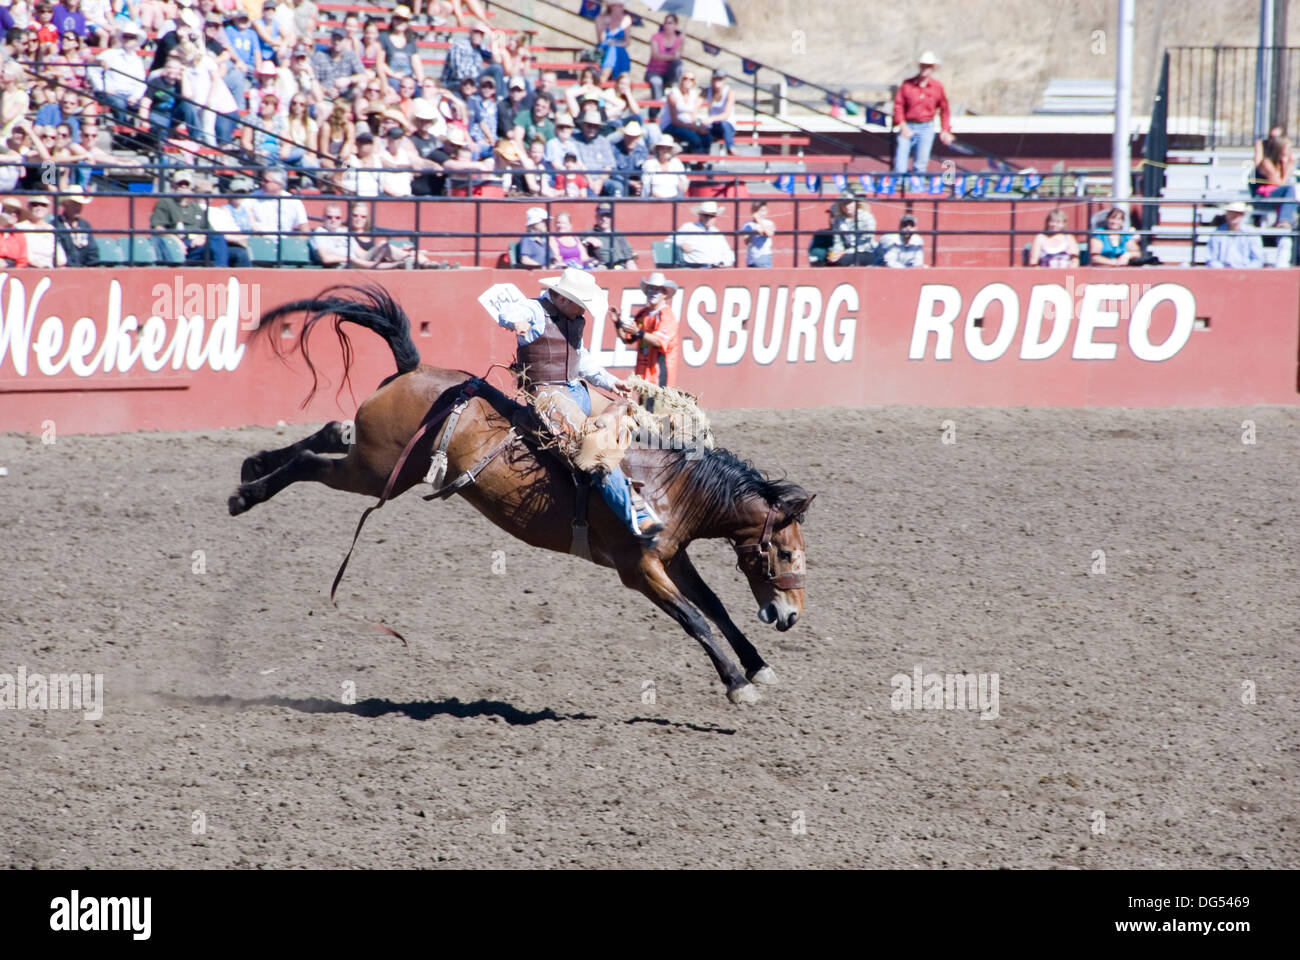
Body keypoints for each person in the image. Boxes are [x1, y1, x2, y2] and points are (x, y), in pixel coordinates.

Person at [494, 266, 663, 540]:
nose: (583, 312)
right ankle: (636, 515)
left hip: (576, 389)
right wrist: (514, 323)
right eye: (580, 305)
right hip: (548, 396)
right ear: (562, 298)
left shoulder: (571, 318)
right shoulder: (534, 311)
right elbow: (509, 312)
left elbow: (580, 357)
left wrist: (609, 382)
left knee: (626, 415)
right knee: (593, 448)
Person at [892, 51, 954, 174]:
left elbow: (944, 109)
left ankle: (917, 191)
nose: (925, 69)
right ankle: (898, 189)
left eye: (929, 67)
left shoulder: (937, 87)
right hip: (908, 125)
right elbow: (898, 106)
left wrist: (945, 129)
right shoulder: (907, 85)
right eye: (923, 66)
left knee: (920, 164)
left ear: (933, 69)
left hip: (926, 127)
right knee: (900, 164)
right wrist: (903, 126)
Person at [615, 272, 678, 388]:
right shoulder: (643, 314)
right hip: (643, 374)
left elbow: (659, 341)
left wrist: (638, 332)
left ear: (664, 294)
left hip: (659, 374)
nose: (652, 292)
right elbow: (627, 339)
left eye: (657, 289)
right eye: (650, 289)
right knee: (643, 405)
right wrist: (617, 322)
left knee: (656, 405)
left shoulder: (666, 315)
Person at [150, 170, 208, 260]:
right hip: (178, 242)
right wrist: (175, 239)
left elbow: (207, 229)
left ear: (190, 188)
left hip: (198, 242)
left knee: (220, 241)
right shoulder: (165, 202)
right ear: (173, 185)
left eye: (186, 185)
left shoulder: (196, 207)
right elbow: (157, 227)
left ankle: (222, 269)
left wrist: (202, 238)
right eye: (180, 184)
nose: (183, 187)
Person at [247, 167, 310, 242]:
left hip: (284, 243)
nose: (262, 183)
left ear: (279, 183)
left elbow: (305, 229)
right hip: (259, 241)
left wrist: (292, 243)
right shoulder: (252, 198)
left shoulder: (294, 202)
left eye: (266, 181)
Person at [1253, 133, 1297, 229]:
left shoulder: (1280, 163)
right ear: (1280, 149)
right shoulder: (1266, 163)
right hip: (1262, 199)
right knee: (1290, 188)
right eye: (1288, 149)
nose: (1290, 152)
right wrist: (1289, 166)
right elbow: (1279, 183)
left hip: (1278, 197)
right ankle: (1284, 220)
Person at [674, 199, 734, 267]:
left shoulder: (717, 233)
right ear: (700, 215)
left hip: (715, 268)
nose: (709, 218)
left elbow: (729, 254)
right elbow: (670, 242)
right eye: (706, 215)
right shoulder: (688, 227)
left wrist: (722, 263)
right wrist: (681, 245)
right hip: (695, 267)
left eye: (712, 216)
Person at [311, 27, 366, 101]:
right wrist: (325, 90)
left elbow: (364, 76)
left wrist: (348, 80)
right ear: (331, 40)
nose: (337, 42)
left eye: (340, 39)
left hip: (345, 97)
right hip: (323, 96)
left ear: (345, 41)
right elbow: (313, 80)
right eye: (335, 39)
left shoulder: (351, 56)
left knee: (362, 85)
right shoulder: (319, 56)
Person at [1206, 201, 1265, 269]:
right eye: (1231, 212)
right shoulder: (1218, 233)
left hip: (1245, 273)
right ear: (1226, 214)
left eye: (1238, 213)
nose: (1234, 215)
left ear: (1243, 215)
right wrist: (1222, 271)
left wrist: (1245, 271)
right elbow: (1211, 258)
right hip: (1222, 273)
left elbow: (1257, 259)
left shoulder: (1251, 233)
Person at [826, 187, 877, 265]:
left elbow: (865, 242)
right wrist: (836, 253)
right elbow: (838, 241)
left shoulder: (867, 217)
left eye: (849, 203)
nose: (847, 206)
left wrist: (843, 253)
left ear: (855, 203)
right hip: (848, 252)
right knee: (831, 261)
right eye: (844, 203)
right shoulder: (839, 221)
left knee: (845, 261)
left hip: (866, 251)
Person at [662, 69, 707, 154]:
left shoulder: (694, 95)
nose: (688, 81)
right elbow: (674, 120)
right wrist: (692, 127)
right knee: (694, 138)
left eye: (691, 79)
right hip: (671, 126)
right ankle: (695, 161)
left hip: (687, 125)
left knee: (706, 135)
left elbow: (694, 117)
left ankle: (701, 162)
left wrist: (699, 125)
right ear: (680, 80)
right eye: (685, 78)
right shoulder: (673, 94)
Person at [582, 201, 635, 269]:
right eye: (601, 215)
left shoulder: (618, 234)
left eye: (607, 216)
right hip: (603, 267)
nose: (604, 219)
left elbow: (629, 257)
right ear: (596, 217)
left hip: (621, 266)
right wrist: (588, 240)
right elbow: (578, 246)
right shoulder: (590, 233)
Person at [17, 194, 66, 267]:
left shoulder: (51, 229)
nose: (39, 208)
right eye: (35, 204)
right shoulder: (19, 228)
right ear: (28, 207)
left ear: (48, 208)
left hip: (51, 269)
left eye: (43, 205)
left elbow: (61, 258)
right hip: (29, 268)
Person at [644, 12, 682, 101]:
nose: (668, 26)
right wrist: (672, 57)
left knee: (679, 64)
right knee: (657, 82)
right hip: (654, 72)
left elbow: (678, 57)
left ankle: (675, 86)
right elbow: (656, 55)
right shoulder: (656, 37)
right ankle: (657, 108)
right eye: (666, 23)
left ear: (675, 25)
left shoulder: (678, 40)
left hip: (669, 73)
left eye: (670, 23)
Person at [52, 193, 98, 265]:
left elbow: (92, 251)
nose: (77, 208)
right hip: (64, 269)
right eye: (74, 204)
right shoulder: (55, 225)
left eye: (79, 204)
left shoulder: (85, 225)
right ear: (65, 205)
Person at [640, 133, 687, 198]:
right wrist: (661, 199)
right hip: (653, 201)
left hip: (674, 200)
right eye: (663, 148)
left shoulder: (676, 163)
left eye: (669, 148)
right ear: (658, 149)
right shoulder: (650, 164)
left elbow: (683, 186)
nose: (666, 151)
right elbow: (646, 187)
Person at [594, 1, 630, 83]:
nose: (620, 8)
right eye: (616, 6)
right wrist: (609, 24)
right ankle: (605, 77)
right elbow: (601, 40)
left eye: (621, 6)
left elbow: (627, 42)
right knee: (612, 50)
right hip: (604, 48)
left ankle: (607, 76)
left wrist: (616, 43)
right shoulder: (600, 18)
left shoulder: (626, 19)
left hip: (619, 48)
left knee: (615, 49)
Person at [705, 69, 735, 155]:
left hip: (727, 125)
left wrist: (711, 119)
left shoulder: (729, 93)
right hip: (712, 126)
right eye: (716, 79)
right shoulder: (708, 91)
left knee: (723, 124)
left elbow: (726, 115)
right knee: (703, 132)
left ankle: (731, 146)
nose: (717, 81)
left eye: (720, 79)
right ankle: (703, 156)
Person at [310, 201, 348, 266]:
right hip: (336, 268)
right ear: (323, 218)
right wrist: (349, 259)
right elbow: (325, 258)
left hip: (354, 265)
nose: (333, 220)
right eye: (329, 217)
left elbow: (359, 252)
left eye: (337, 217)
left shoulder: (344, 232)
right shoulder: (319, 232)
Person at [740, 199, 774, 268]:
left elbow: (769, 233)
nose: (761, 213)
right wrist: (753, 233)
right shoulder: (748, 224)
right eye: (758, 211)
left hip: (764, 257)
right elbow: (746, 242)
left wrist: (759, 221)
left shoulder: (769, 223)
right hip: (751, 258)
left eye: (763, 210)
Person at [0, 198, 30, 267]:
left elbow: (23, 260)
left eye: (16, 212)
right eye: (9, 211)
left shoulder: (20, 235)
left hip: (13, 269)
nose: (13, 214)